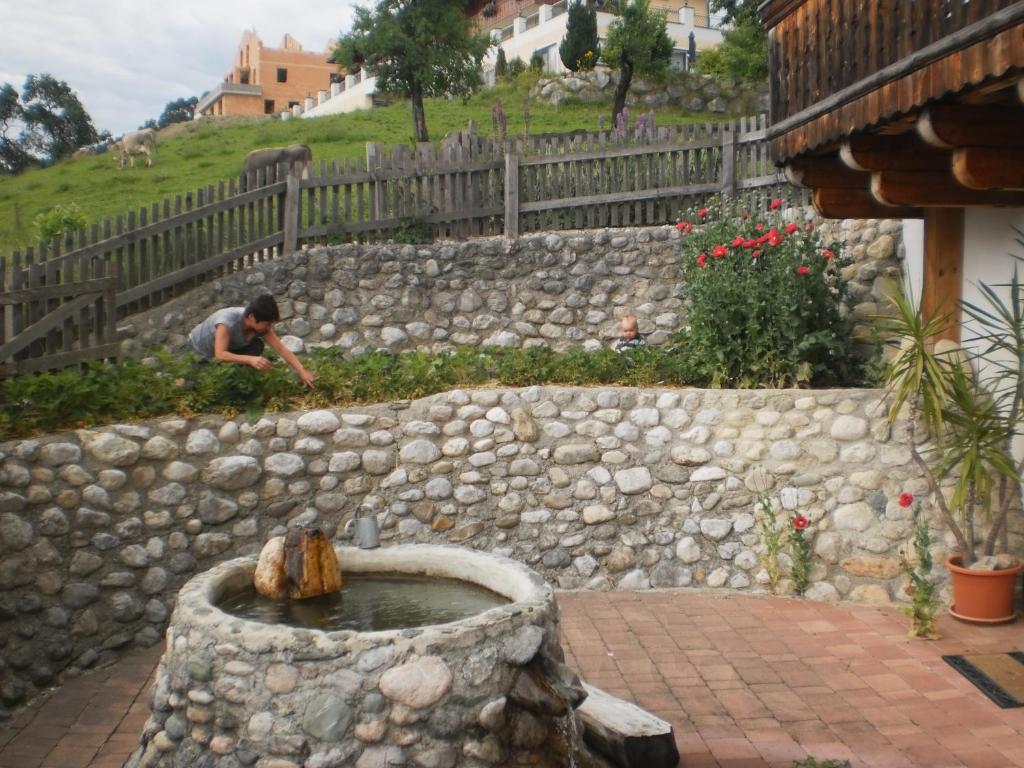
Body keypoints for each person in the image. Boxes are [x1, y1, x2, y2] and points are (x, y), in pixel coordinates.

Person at [186, 294, 317, 388]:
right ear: (252, 317)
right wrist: (250, 360)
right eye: (267, 324)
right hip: (199, 352)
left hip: (224, 350)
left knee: (256, 346)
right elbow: (220, 354)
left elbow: (281, 349)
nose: (269, 328)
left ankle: (239, 382)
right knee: (196, 384)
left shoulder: (260, 326)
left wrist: (302, 371)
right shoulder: (227, 322)